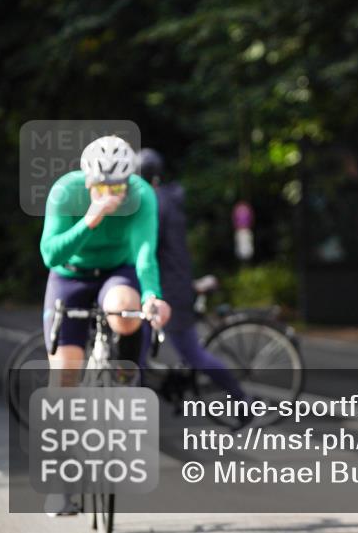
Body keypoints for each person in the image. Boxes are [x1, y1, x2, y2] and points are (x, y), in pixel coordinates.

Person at [40, 135, 171, 516]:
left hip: (117, 272)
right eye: (103, 185)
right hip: (69, 276)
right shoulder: (65, 193)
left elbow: (145, 252)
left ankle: (127, 379)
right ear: (87, 180)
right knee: (63, 379)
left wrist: (152, 296)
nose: (112, 192)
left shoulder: (143, 195)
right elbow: (51, 253)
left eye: (120, 186)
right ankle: (61, 487)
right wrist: (91, 218)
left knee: (126, 310)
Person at [137, 148, 248, 409]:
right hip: (173, 284)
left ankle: (243, 401)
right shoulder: (165, 200)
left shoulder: (155, 205)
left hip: (169, 290)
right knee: (142, 355)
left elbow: (145, 249)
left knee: (187, 353)